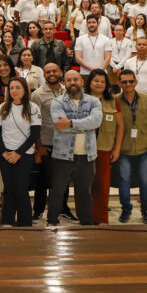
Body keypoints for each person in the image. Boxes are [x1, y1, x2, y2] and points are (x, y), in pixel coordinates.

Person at [47, 70, 102, 229]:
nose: (72, 82)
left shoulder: (94, 101)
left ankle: (86, 224)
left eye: (75, 79)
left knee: (84, 193)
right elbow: (59, 125)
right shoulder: (57, 102)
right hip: (62, 155)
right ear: (64, 83)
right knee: (57, 191)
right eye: (69, 80)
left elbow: (96, 121)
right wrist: (85, 125)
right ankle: (51, 221)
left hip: (87, 155)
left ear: (82, 82)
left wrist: (70, 123)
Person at [0, 77, 40, 227]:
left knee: (21, 188)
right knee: (9, 188)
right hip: (5, 154)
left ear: (25, 89)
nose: (14, 90)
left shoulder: (33, 108)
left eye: (17, 87)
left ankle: (25, 222)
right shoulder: (2, 107)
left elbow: (34, 134)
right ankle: (7, 220)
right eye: (11, 88)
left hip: (24, 154)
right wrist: (4, 151)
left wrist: (18, 153)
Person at [114, 68, 147, 224]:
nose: (128, 84)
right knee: (124, 181)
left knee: (145, 181)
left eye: (131, 81)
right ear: (119, 83)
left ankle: (146, 211)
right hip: (123, 149)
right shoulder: (114, 100)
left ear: (136, 82)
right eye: (124, 82)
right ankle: (126, 210)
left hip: (143, 148)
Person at [86, 69, 121, 224]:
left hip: (104, 149)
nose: (99, 84)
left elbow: (121, 126)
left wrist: (117, 148)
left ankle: (100, 220)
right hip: (83, 150)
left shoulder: (113, 100)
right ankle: (85, 218)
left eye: (102, 81)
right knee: (85, 186)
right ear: (90, 82)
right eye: (96, 81)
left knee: (102, 186)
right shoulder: (81, 99)